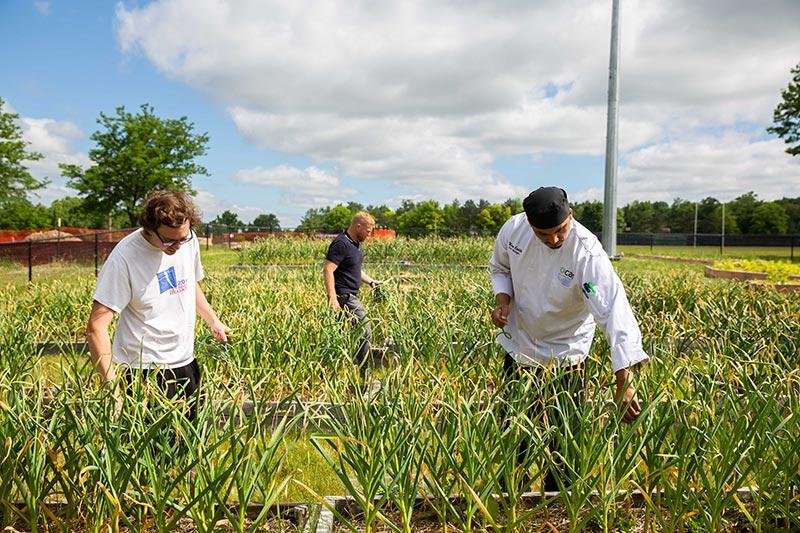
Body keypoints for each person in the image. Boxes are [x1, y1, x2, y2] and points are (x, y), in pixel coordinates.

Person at [489, 186, 649, 491]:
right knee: (513, 434)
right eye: (544, 234)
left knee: (564, 441)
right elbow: (500, 267)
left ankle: (559, 502)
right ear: (529, 224)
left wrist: (624, 378)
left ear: (570, 216)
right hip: (521, 347)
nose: (554, 239)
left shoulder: (586, 252)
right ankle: (511, 497)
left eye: (560, 230)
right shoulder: (513, 230)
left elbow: (612, 309)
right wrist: (503, 299)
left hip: (566, 354)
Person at [86, 190, 229, 419]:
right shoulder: (125, 258)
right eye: (169, 240)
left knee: (187, 444)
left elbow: (188, 282)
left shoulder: (187, 240)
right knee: (146, 452)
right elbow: (96, 327)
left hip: (185, 361)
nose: (178, 246)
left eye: (183, 237)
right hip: (144, 372)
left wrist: (213, 321)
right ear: (149, 228)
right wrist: (113, 390)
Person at [323, 211, 382, 368]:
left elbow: (354, 269)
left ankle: (345, 368)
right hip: (344, 296)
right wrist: (333, 298)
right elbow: (328, 269)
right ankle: (364, 369)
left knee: (344, 335)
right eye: (368, 231)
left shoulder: (356, 244)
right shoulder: (341, 244)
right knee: (365, 329)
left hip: (350, 295)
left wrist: (371, 282)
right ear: (358, 226)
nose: (370, 235)